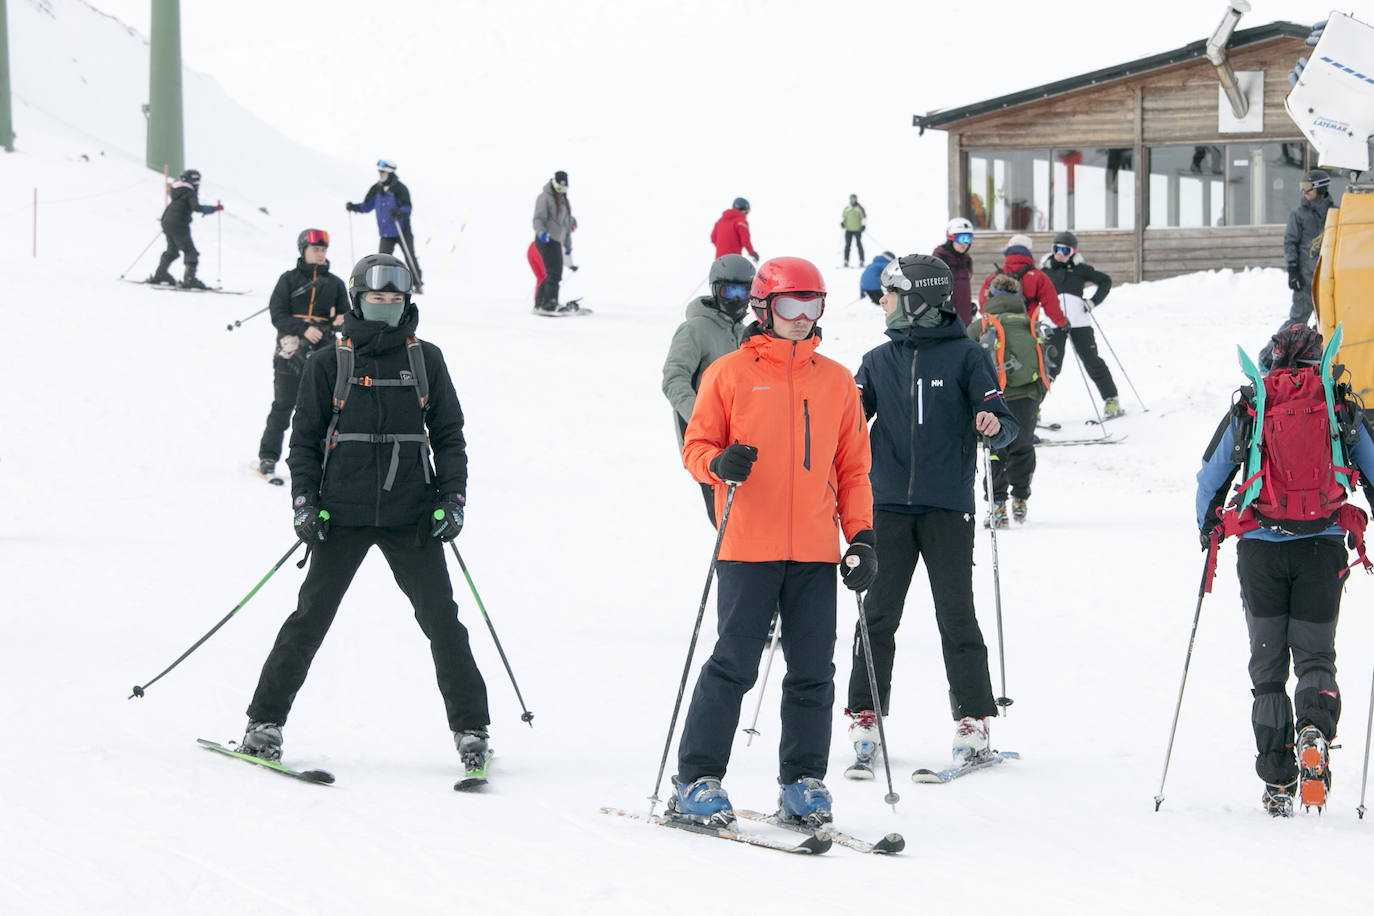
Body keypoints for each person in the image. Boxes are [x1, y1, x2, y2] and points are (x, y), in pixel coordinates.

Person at [239, 253, 491, 778]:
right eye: (376, 300)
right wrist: (305, 503)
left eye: (394, 301)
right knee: (310, 619)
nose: (385, 308)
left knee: (443, 621)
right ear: (357, 300)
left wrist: (453, 498)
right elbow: (304, 441)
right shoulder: (329, 361)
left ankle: (472, 729)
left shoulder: (427, 359)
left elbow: (448, 437)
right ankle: (264, 722)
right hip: (342, 513)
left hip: (411, 514)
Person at [670, 256, 875, 830]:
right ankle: (697, 779)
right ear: (765, 307)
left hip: (813, 549)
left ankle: (803, 782)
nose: (801, 317)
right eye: (790, 305)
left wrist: (860, 538)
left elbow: (854, 468)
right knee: (734, 665)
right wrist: (719, 464)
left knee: (813, 670)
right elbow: (696, 445)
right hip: (747, 543)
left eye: (813, 305)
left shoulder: (835, 379)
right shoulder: (730, 373)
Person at [844, 254, 1017, 771]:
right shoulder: (877, 361)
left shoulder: (966, 357)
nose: (882, 301)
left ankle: (974, 719)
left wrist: (992, 422)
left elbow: (1005, 423)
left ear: (918, 301)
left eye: (890, 293)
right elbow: (849, 421)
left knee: (956, 615)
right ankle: (865, 712)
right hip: (888, 506)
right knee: (877, 615)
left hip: (947, 507)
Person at [1196, 323, 1374, 816]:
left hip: (1261, 554)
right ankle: (1314, 726)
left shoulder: (1253, 405)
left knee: (1269, 673)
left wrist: (1207, 534)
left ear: (1270, 359)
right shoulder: (1338, 405)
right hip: (1322, 551)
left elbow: (1209, 479)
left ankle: (1278, 782)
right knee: (1317, 656)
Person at [661, 254, 754, 526]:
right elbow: (674, 378)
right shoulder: (695, 329)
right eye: (729, 290)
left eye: (743, 291)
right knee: (728, 522)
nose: (736, 299)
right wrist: (703, 417)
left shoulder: (745, 331)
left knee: (750, 519)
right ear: (715, 290)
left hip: (742, 438)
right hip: (708, 444)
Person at [256, 229, 349, 480]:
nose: (320, 254)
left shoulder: (336, 284)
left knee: (323, 409)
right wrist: (304, 329)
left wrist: (339, 322)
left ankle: (322, 460)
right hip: (290, 351)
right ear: (303, 250)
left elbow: (348, 318)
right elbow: (278, 314)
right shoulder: (288, 280)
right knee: (284, 404)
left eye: (323, 250)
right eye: (315, 249)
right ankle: (268, 455)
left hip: (325, 352)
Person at [967, 273, 1048, 527]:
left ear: (990, 296)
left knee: (994, 450)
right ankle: (1021, 498)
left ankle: (997, 504)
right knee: (1023, 446)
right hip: (1028, 395)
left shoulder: (982, 325)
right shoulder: (1029, 323)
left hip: (993, 397)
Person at [1038, 231, 1121, 418]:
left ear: (1073, 252)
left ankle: (1111, 400)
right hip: (1054, 324)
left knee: (1092, 361)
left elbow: (1105, 281)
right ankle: (1034, 407)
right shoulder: (1045, 271)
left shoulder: (1081, 269)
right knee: (1049, 366)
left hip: (1080, 323)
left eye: (1065, 250)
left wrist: (1092, 302)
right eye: (1056, 249)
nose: (1060, 253)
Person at [346, 159, 423, 293]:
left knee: (409, 256)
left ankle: (417, 283)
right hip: (386, 233)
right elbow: (367, 206)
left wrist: (399, 212)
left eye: (382, 171)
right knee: (382, 259)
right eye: (379, 171)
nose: (380, 174)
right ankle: (383, 283)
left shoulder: (400, 189)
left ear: (390, 173)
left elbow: (407, 207)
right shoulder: (376, 189)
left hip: (401, 231)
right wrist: (354, 207)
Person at [146, 168, 223, 289]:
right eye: (197, 181)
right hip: (179, 224)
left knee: (172, 251)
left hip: (167, 221)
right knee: (190, 251)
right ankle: (189, 279)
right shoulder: (190, 192)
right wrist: (214, 209)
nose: (198, 184)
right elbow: (196, 207)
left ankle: (160, 275)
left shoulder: (177, 190)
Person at [1282, 168, 1337, 327]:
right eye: (1302, 186)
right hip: (1305, 277)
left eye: (1307, 186)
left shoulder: (1335, 213)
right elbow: (1290, 243)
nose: (1303, 191)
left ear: (1320, 188)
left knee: (1327, 320)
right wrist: (1293, 270)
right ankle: (1274, 352)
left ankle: (1320, 350)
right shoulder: (1299, 215)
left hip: (1328, 277)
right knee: (1297, 320)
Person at [977, 235, 1065, 331]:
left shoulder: (994, 277)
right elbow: (1051, 304)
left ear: (1008, 249)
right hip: (1027, 329)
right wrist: (1062, 322)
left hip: (998, 331)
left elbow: (983, 305)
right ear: (1029, 251)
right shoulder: (1038, 277)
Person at [531, 170, 578, 314]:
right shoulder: (544, 197)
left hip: (556, 241)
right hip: (546, 239)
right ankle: (549, 304)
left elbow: (566, 228)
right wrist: (541, 233)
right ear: (553, 183)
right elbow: (538, 219)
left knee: (552, 273)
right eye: (558, 188)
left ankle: (540, 304)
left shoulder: (564, 202)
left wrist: (568, 247)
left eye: (564, 189)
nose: (561, 191)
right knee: (554, 273)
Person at [933, 217, 975, 326]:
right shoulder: (939, 258)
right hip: (946, 319)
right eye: (962, 238)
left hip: (964, 320)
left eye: (968, 239)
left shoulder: (967, 260)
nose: (965, 244)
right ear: (951, 237)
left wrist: (969, 307)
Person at [710, 198, 759, 263]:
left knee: (720, 273)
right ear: (744, 210)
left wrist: (723, 247)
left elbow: (713, 238)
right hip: (733, 260)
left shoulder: (720, 221)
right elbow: (745, 241)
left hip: (719, 260)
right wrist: (752, 253)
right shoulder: (741, 222)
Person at [841, 194, 866, 267]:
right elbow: (843, 217)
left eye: (854, 199)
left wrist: (863, 225)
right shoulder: (847, 208)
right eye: (851, 199)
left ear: (856, 199)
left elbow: (864, 218)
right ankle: (846, 261)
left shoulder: (860, 208)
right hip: (848, 230)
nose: (852, 200)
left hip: (857, 230)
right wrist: (842, 223)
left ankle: (861, 261)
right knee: (847, 246)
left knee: (859, 245)